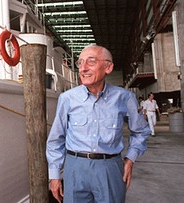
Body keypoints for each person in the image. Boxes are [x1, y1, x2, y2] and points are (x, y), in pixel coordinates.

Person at [46, 44, 151, 203]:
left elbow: (141, 131)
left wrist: (130, 160)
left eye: (91, 61)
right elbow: (56, 139)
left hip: (109, 168)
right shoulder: (67, 98)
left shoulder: (124, 97)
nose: (83, 68)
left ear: (108, 67)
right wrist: (54, 175)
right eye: (80, 63)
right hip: (75, 168)